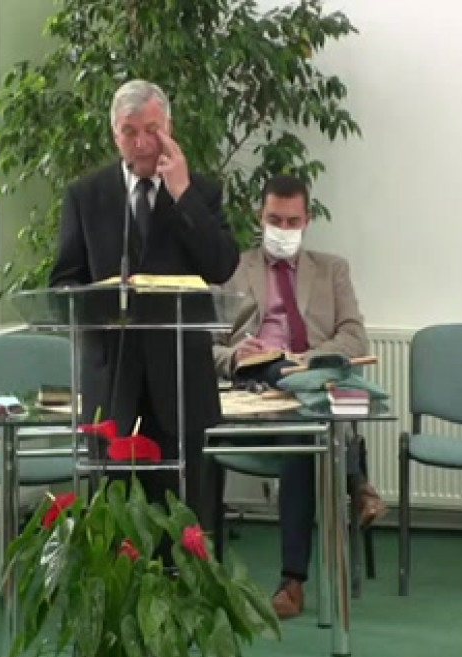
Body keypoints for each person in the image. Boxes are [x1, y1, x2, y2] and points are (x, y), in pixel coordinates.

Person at [49, 79, 240, 526]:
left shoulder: (200, 192)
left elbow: (221, 265)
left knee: (184, 519)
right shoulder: (86, 195)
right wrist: (93, 299)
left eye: (151, 130)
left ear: (168, 127)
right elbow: (63, 281)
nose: (141, 143)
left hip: (180, 381)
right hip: (112, 380)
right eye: (129, 132)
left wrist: (182, 194)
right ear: (114, 134)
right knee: (116, 523)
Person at [212, 173, 385, 619]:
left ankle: (292, 582)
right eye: (274, 220)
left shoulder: (332, 270)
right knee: (301, 411)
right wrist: (235, 355)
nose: (283, 229)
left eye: (292, 221)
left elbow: (355, 337)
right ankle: (356, 479)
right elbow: (205, 345)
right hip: (254, 390)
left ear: (307, 220)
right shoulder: (232, 269)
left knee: (302, 436)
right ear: (260, 216)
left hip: (308, 389)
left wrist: (306, 360)